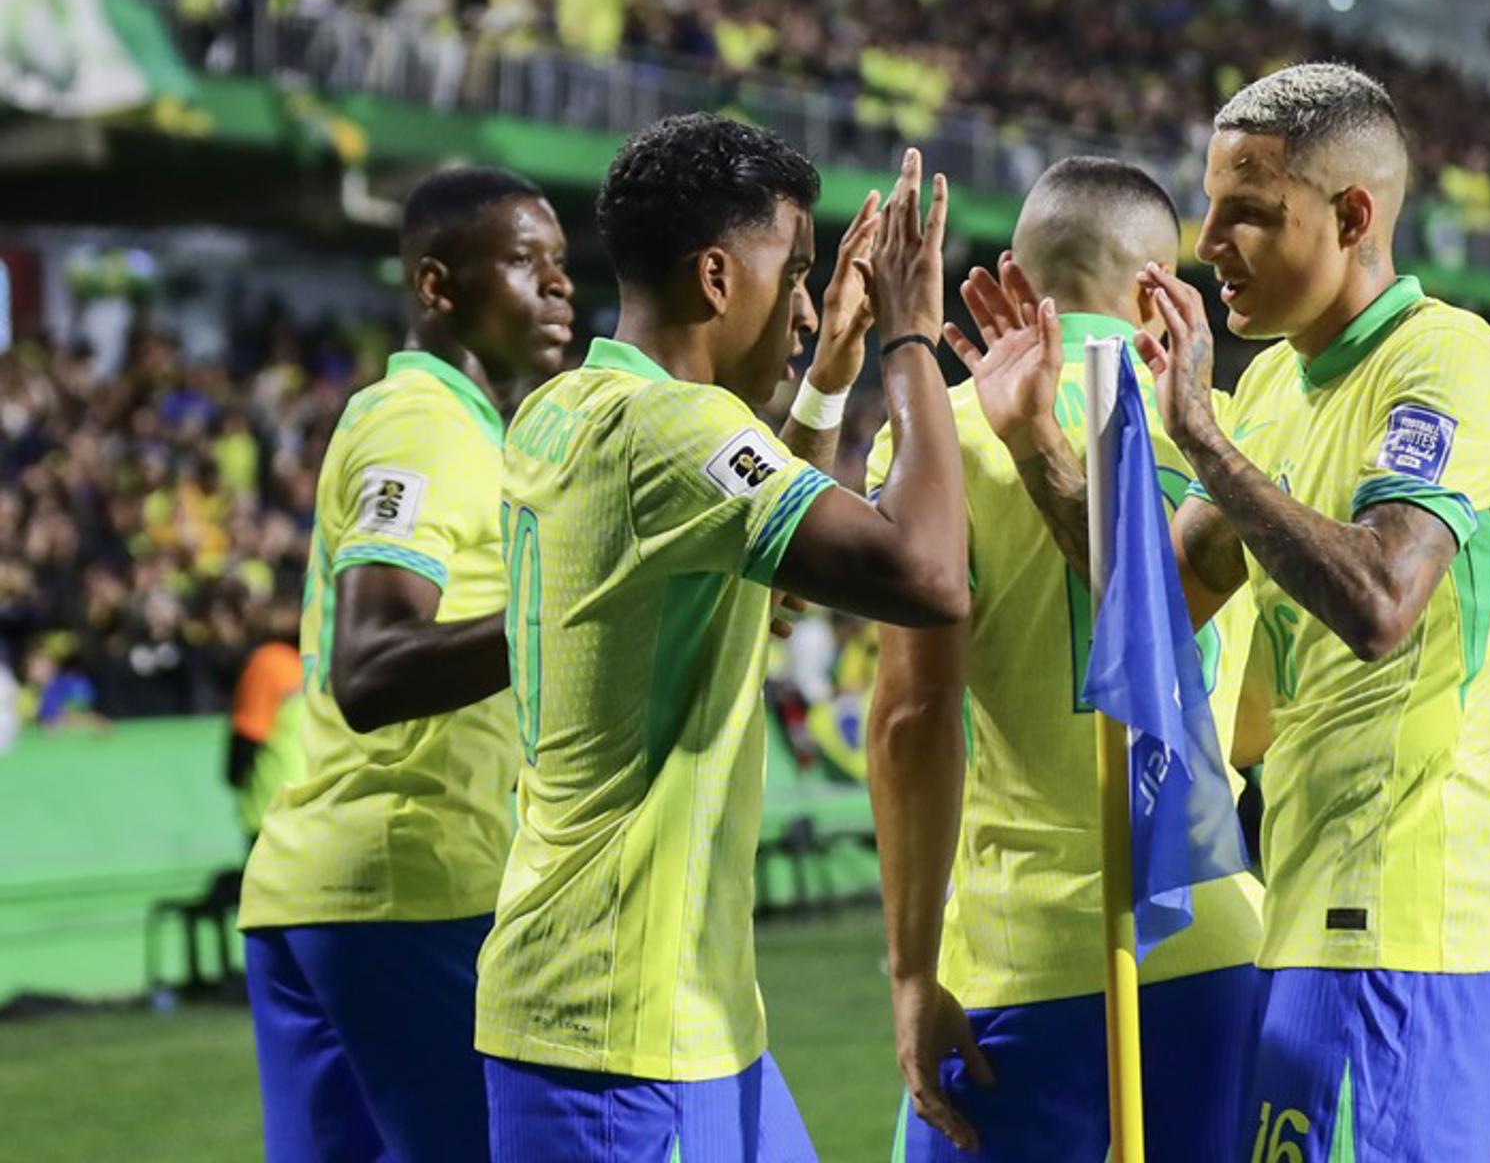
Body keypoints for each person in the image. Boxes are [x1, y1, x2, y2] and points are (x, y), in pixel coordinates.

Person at [950, 63, 1490, 1161]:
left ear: (1354, 215)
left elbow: (1381, 598)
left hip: (1412, 913)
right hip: (1308, 910)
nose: (1206, 239)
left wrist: (1208, 443)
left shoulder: (1446, 362)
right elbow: (1160, 599)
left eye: (1249, 212)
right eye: (1209, 205)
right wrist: (1033, 437)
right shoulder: (1274, 387)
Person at [474, 121, 969, 1163]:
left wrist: (830, 371)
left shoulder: (565, 410)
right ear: (715, 275)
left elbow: (771, 575)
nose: (803, 305)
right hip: (615, 1032)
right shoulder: (670, 430)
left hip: (686, 1018)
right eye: (793, 275)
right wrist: (910, 341)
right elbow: (925, 574)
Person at [867, 158, 1263, 1162]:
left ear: (1019, 275)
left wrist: (912, 970)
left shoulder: (940, 438)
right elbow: (1259, 711)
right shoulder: (1224, 436)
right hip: (1215, 935)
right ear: (1156, 289)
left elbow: (915, 716)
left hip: (1028, 957)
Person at [237, 165, 575, 1163]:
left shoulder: (466, 427)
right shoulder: (422, 424)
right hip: (412, 881)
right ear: (438, 286)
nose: (558, 286)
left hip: (319, 890)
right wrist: (568, 615)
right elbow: (374, 662)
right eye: (526, 262)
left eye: (562, 265)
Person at [225, 594, 304, 845]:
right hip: (313, 799)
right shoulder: (315, 663)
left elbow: (250, 731)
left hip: (274, 799)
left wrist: (233, 775)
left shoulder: (268, 662)